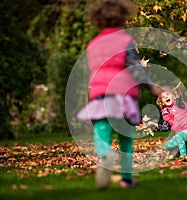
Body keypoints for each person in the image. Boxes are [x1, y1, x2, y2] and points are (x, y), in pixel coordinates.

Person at [77, 0, 162, 190]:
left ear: (97, 19)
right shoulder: (125, 41)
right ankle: (127, 179)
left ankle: (105, 154)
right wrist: (152, 86)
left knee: (101, 133)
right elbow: (135, 69)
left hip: (100, 94)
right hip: (124, 95)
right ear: (123, 17)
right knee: (126, 138)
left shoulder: (93, 44)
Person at [155, 82, 187, 158]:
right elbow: (165, 128)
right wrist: (154, 126)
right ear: (162, 102)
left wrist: (177, 92)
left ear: (173, 96)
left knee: (179, 136)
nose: (166, 97)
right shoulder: (165, 114)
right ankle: (181, 148)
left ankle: (183, 155)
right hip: (182, 134)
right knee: (167, 145)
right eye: (163, 97)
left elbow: (179, 100)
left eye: (168, 94)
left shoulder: (179, 105)